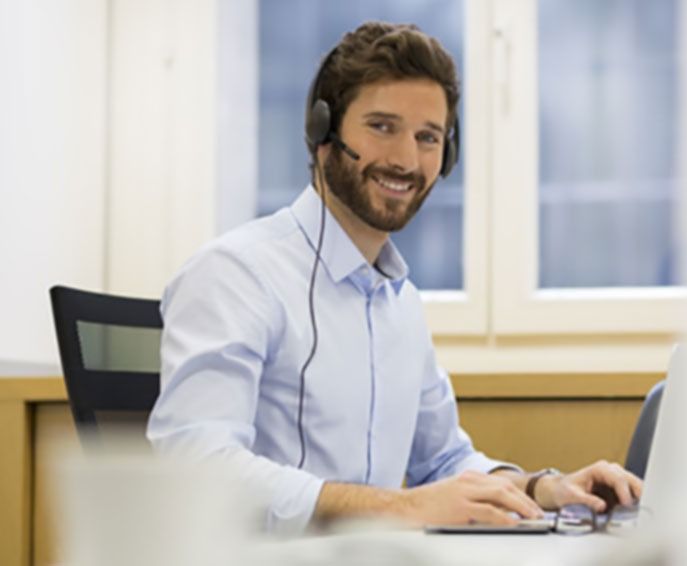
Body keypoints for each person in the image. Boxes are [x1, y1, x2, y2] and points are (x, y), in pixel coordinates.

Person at [147, 21, 641, 533]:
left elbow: (445, 461)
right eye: (382, 126)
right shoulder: (236, 275)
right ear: (322, 133)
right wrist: (404, 508)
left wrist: (546, 488)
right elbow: (197, 466)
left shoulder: (396, 299)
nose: (407, 159)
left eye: (428, 137)